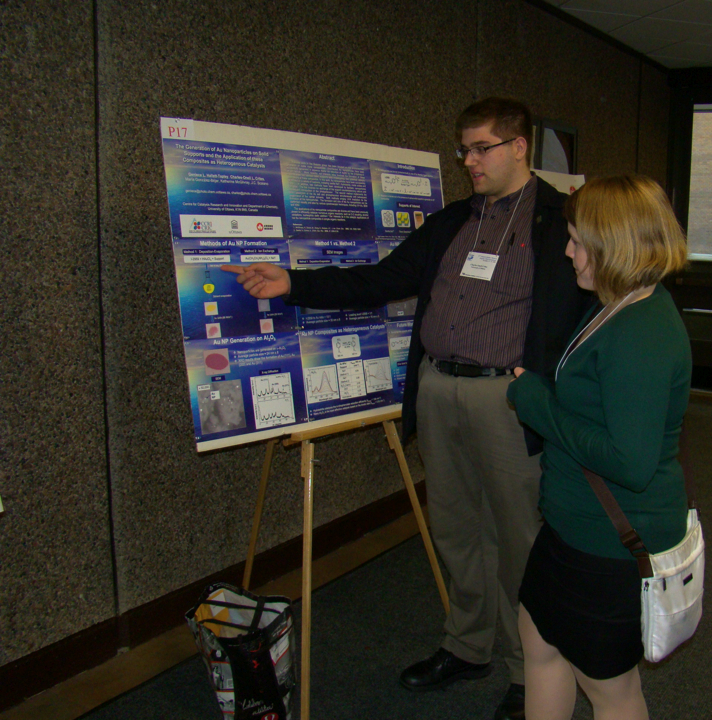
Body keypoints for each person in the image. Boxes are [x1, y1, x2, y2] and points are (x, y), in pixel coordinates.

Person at [223, 97, 592, 720]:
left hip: (509, 399)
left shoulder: (560, 219)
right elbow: (382, 278)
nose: (469, 161)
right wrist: (294, 283)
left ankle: (529, 669)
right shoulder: (453, 223)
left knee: (519, 538)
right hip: (438, 388)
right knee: (455, 528)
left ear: (519, 146)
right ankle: (468, 645)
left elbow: (589, 306)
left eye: (482, 148)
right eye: (464, 149)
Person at [506, 174, 691, 720]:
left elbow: (630, 464)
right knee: (540, 641)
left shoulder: (641, 332)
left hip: (610, 545)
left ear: (616, 246)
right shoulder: (618, 303)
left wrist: (535, 402)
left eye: (577, 241)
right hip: (575, 528)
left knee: (610, 688)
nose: (568, 253)